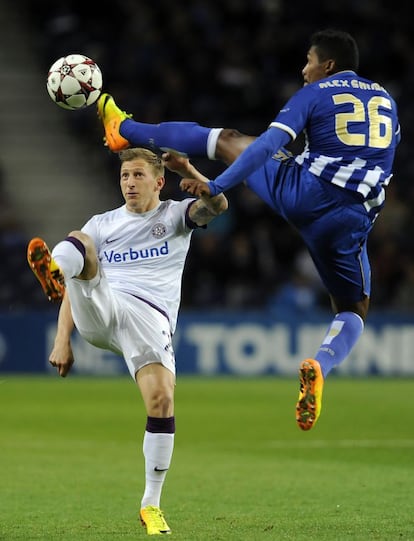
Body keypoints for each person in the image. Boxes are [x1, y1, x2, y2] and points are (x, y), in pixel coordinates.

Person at [96, 28, 400, 432]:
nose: (303, 69)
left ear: (327, 65)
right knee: (353, 309)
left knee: (227, 140)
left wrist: (217, 184)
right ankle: (320, 366)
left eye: (309, 61)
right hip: (352, 219)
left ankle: (125, 129)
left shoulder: (316, 93)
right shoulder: (387, 101)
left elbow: (263, 148)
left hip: (306, 193)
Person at [27, 148, 228, 535]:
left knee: (162, 400)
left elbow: (217, 204)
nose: (129, 183)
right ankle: (54, 266)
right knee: (82, 244)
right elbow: (77, 287)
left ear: (158, 182)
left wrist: (188, 167)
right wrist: (61, 339)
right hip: (103, 307)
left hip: (149, 317)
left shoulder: (174, 215)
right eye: (124, 177)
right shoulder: (103, 222)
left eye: (137, 176)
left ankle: (151, 505)